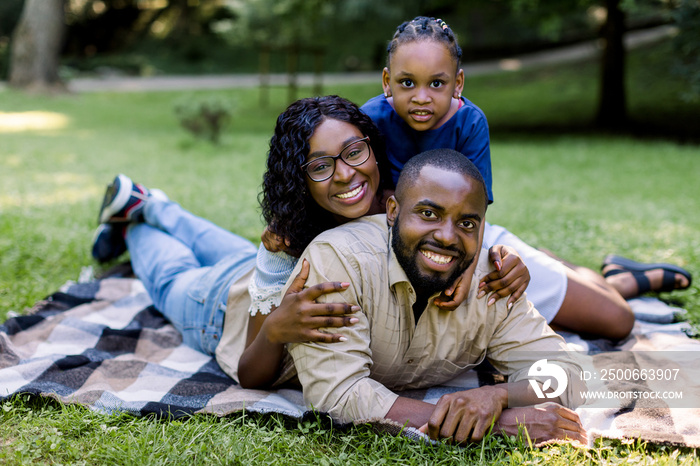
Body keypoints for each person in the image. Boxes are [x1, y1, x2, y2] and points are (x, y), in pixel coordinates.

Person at [92, 96, 529, 390]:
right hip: (220, 308)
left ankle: (154, 204)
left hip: (249, 272)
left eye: (354, 152)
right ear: (300, 179)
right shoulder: (285, 238)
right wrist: (277, 331)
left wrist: (498, 261)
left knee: (213, 241)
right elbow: (251, 374)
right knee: (170, 274)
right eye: (320, 165)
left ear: (373, 149)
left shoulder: (399, 202)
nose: (344, 174)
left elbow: (459, 229)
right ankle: (134, 224)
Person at [360, 16, 692, 339]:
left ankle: (618, 281)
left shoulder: (470, 123)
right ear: (387, 81)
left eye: (436, 83)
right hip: (416, 248)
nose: (421, 96)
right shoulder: (370, 121)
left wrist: (468, 270)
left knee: (617, 320)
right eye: (407, 83)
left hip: (467, 241)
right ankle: (577, 270)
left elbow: (475, 213)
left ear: (457, 83)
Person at [282, 148, 586, 444]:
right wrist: (495, 424)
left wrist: (498, 395)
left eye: (466, 223)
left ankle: (599, 272)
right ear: (392, 211)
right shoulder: (338, 260)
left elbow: (568, 374)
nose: (446, 236)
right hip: (242, 308)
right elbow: (339, 396)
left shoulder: (490, 280)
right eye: (428, 214)